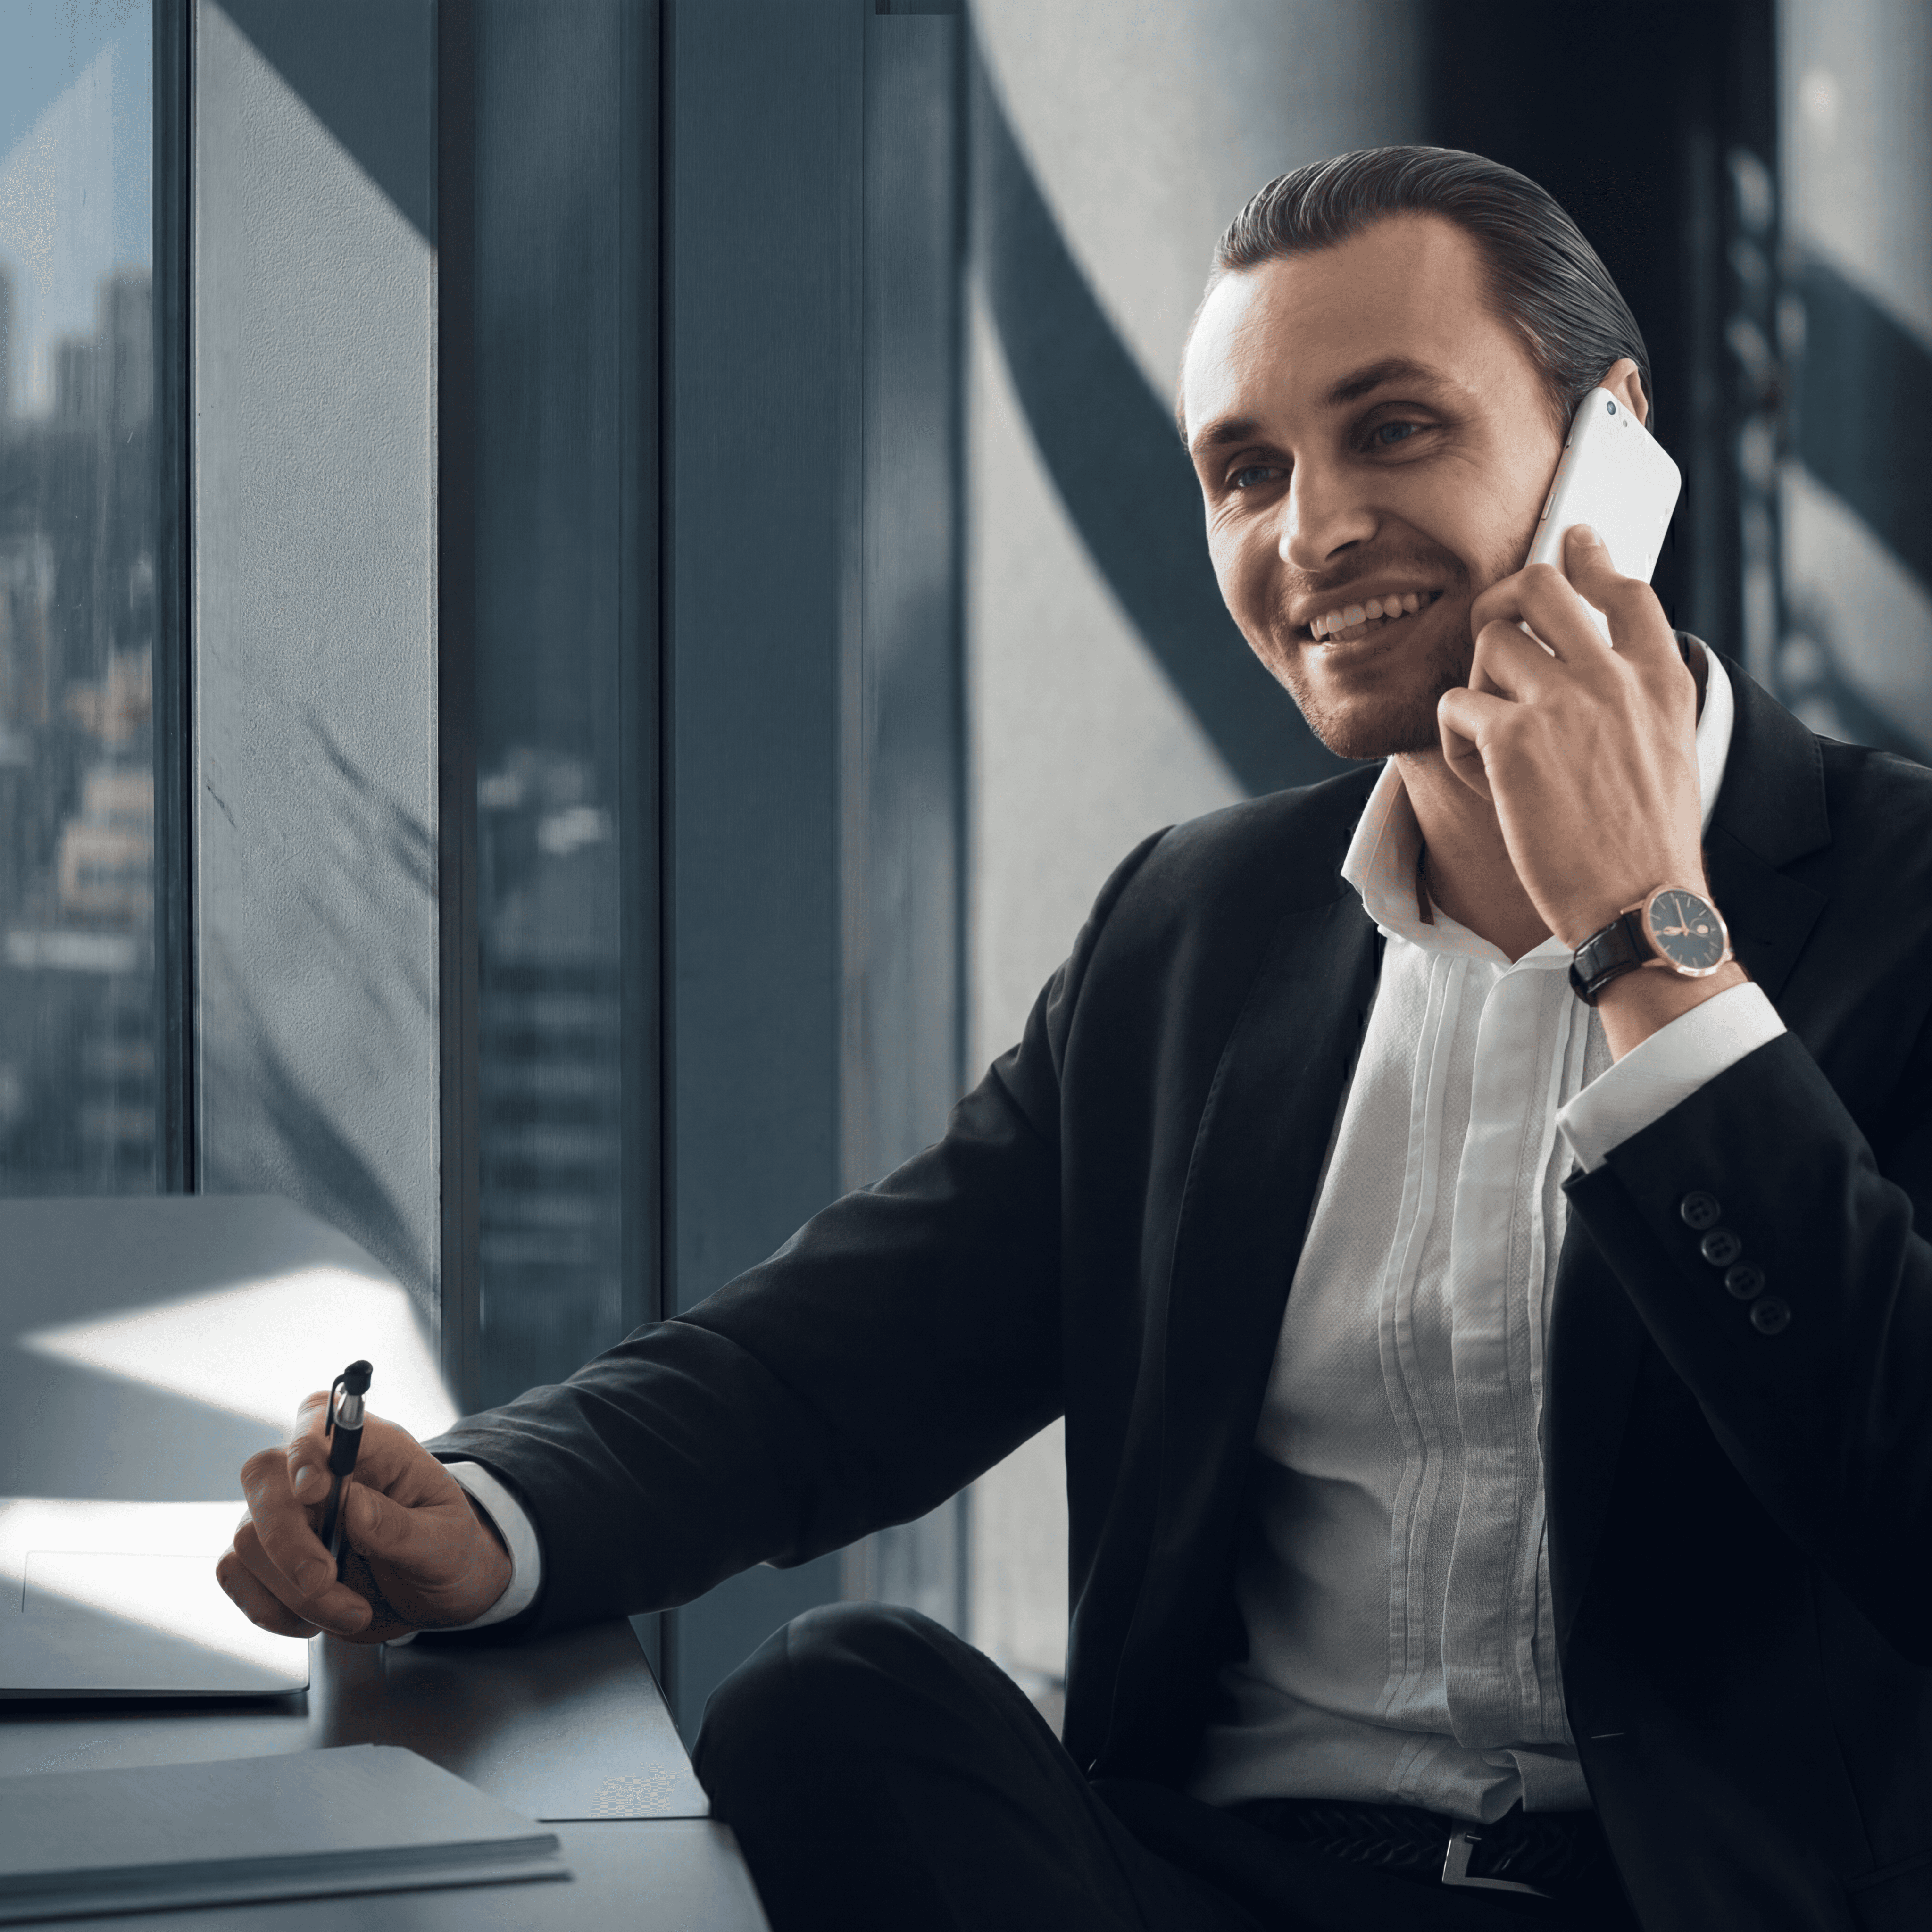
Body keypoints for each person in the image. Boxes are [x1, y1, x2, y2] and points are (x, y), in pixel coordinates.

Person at [217, 148, 1932, 1932]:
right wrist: (489, 1512)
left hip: (1700, 1901)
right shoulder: (1196, 931)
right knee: (836, 1703)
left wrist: (1648, 930)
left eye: (1396, 429)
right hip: (1226, 1886)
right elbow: (834, 1362)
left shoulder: (1900, 900)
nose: (1312, 532)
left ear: (1612, 442)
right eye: (1247, 472)